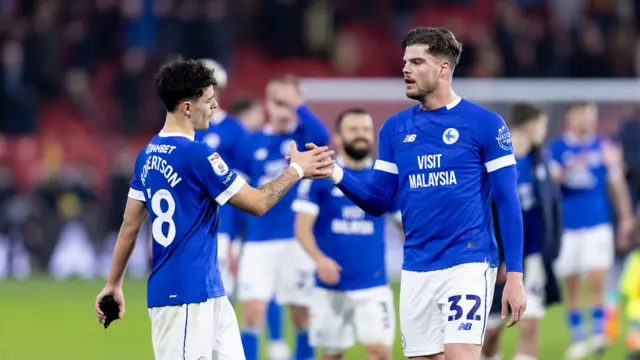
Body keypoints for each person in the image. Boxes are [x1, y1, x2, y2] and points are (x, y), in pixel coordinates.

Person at [94, 59, 335, 360]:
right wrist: (296, 170)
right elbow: (258, 204)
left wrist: (113, 284)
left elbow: (130, 225)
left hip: (209, 292)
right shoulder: (198, 155)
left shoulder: (147, 155)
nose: (215, 107)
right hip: (183, 296)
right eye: (208, 101)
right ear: (186, 107)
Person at [313, 27, 526, 360]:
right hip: (416, 266)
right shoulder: (395, 130)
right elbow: (376, 201)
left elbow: (508, 202)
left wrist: (514, 275)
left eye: (416, 62)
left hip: (468, 261)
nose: (405, 70)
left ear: (443, 68)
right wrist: (335, 173)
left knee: (460, 354)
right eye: (404, 62)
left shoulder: (486, 124)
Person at [194, 64, 289, 358]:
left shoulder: (235, 130)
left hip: (225, 226)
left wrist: (237, 232)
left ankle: (271, 342)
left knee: (234, 291)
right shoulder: (185, 129)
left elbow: (245, 183)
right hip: (193, 227)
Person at [292, 108, 401, 360]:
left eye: (365, 129)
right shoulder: (320, 176)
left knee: (380, 352)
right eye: (353, 129)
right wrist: (319, 259)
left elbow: (404, 227)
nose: (361, 135)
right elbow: (301, 227)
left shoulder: (385, 179)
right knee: (331, 355)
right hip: (329, 285)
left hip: (373, 284)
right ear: (338, 137)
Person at [235, 75, 331, 360]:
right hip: (257, 242)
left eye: (286, 102)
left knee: (301, 318)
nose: (280, 108)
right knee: (252, 314)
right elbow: (236, 197)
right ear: (266, 104)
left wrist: (297, 104)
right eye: (275, 101)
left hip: (296, 241)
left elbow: (325, 139)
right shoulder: (250, 143)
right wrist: (229, 239)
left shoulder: (304, 137)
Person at [549, 103, 635, 359]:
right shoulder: (557, 149)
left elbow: (617, 185)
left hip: (598, 223)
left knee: (597, 277)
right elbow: (551, 183)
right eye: (581, 115)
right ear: (570, 117)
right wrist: (572, 166)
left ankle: (598, 334)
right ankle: (577, 339)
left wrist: (626, 219)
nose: (586, 120)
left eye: (590, 115)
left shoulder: (604, 147)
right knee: (573, 283)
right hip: (568, 227)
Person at [481, 104, 563, 360]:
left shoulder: (542, 160)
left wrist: (552, 248)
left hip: (535, 255)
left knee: (531, 324)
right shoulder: (496, 162)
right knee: (492, 330)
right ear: (528, 126)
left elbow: (551, 207)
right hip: (500, 260)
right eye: (541, 125)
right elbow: (489, 213)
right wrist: (500, 258)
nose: (543, 131)